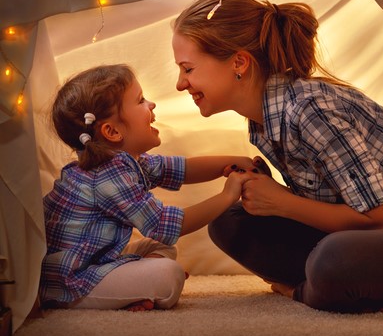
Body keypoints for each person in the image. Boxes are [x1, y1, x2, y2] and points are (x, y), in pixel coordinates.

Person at [172, 0, 383, 313]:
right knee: (227, 221)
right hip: (374, 240)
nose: (180, 84)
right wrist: (264, 193)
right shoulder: (262, 122)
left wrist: (282, 202)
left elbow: (381, 221)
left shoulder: (310, 109)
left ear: (239, 63)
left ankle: (307, 291)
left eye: (188, 69)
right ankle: (332, 286)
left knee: (334, 261)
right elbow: (332, 201)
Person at [39, 64, 258, 312]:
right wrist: (228, 196)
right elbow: (165, 225)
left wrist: (231, 162)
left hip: (94, 259)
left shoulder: (125, 162)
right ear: (112, 131)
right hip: (71, 280)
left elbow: (181, 169)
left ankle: (135, 290)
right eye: (141, 100)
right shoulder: (106, 176)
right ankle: (138, 287)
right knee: (169, 275)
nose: (151, 104)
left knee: (159, 248)